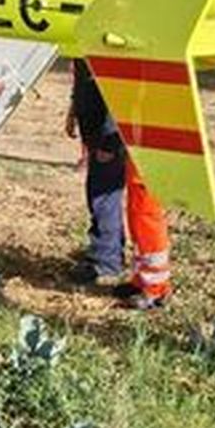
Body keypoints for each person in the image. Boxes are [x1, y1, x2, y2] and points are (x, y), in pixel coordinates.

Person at [66, 59, 172, 310]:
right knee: (137, 209)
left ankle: (154, 289)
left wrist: (110, 141)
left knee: (144, 210)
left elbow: (121, 88)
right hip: (122, 133)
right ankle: (142, 280)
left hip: (127, 134)